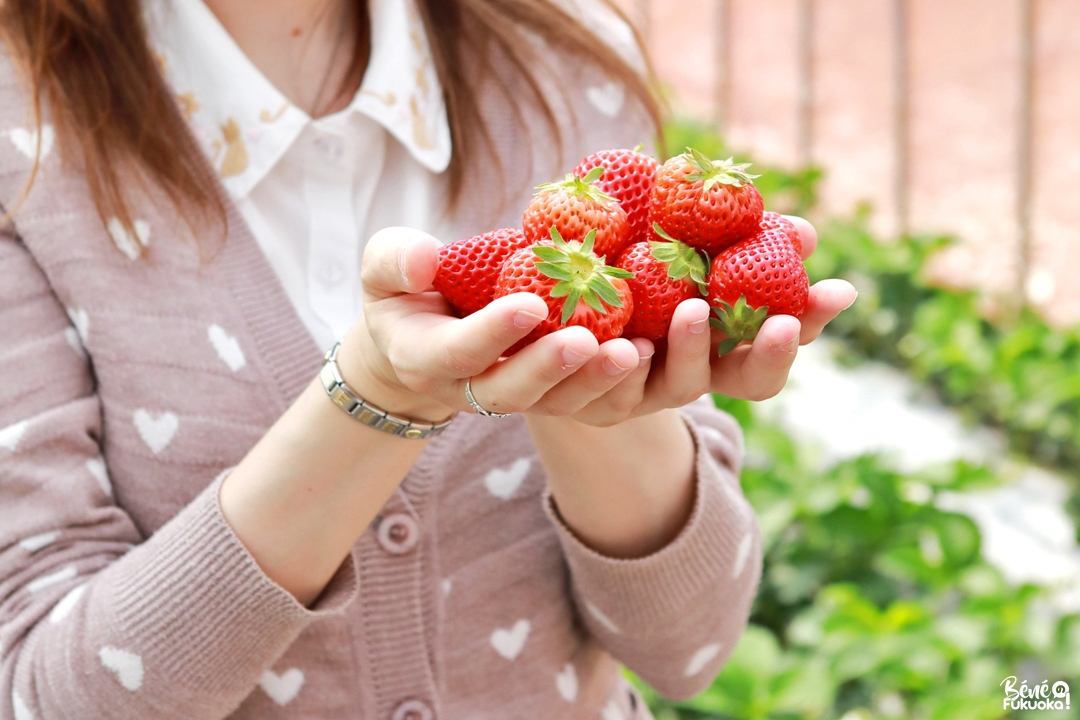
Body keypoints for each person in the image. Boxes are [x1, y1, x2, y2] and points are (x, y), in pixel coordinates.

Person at [0, 0, 857, 718]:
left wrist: (586, 380)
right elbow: (45, 696)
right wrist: (375, 397)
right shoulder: (23, 146)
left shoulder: (558, 55)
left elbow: (687, 643)